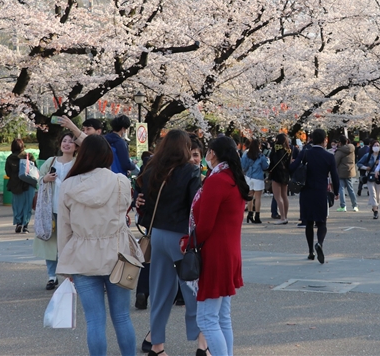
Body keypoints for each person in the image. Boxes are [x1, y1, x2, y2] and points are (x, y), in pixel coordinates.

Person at [56, 135, 144, 356]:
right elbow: (124, 212)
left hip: (82, 256)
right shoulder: (120, 182)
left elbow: (64, 228)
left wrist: (65, 263)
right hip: (117, 255)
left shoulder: (68, 185)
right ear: (107, 155)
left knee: (94, 320)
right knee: (122, 317)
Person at [135, 130, 206, 356]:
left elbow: (143, 204)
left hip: (157, 234)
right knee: (193, 290)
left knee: (160, 292)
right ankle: (202, 344)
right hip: (180, 237)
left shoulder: (150, 171)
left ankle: (157, 346)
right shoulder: (191, 172)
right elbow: (196, 207)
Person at [190, 136, 253, 356]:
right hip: (230, 252)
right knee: (222, 317)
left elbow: (205, 225)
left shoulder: (217, 180)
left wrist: (187, 242)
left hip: (215, 254)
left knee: (206, 319)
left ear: (213, 153)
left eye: (207, 151)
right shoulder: (233, 178)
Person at [33, 132, 77, 290]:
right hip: (50, 210)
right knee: (50, 244)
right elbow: (38, 179)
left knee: (70, 244)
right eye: (64, 141)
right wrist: (45, 180)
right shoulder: (51, 161)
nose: (67, 144)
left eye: (71, 142)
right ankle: (52, 276)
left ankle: (70, 274)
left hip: (72, 211)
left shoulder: (78, 163)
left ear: (76, 146)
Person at [291, 129, 339, 261]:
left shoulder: (305, 153)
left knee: (309, 223)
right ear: (325, 140)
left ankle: (311, 251)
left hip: (306, 191)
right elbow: (335, 176)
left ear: (311, 139)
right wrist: (336, 192)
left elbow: (292, 167)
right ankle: (320, 243)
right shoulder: (329, 156)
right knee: (322, 221)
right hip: (320, 192)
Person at [5, 139, 37, 233]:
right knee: (28, 205)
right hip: (29, 183)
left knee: (18, 205)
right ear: (23, 146)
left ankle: (18, 223)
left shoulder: (10, 158)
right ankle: (25, 225)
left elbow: (8, 172)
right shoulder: (29, 156)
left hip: (15, 184)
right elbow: (35, 168)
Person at [240, 139, 269, 224]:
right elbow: (265, 166)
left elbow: (243, 167)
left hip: (249, 177)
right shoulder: (261, 156)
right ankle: (257, 216)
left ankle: (249, 214)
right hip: (258, 178)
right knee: (258, 198)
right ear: (258, 145)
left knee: (250, 197)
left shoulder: (246, 155)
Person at [267, 134, 292, 225]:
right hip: (285, 174)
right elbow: (289, 164)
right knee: (284, 196)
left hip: (276, 174)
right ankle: (285, 215)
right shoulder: (288, 150)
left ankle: (282, 218)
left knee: (278, 197)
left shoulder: (275, 149)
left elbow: (272, 162)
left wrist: (269, 170)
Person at [357, 141, 380, 219]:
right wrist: (365, 168)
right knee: (372, 193)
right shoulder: (367, 155)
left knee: (378, 195)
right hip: (370, 176)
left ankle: (375, 206)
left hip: (379, 177)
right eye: (375, 145)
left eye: (378, 145)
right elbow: (359, 163)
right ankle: (375, 210)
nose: (376, 147)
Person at [334, 135, 358, 212]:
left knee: (341, 188)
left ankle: (343, 206)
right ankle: (355, 205)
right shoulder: (352, 148)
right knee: (350, 189)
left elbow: (335, 162)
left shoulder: (340, 151)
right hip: (350, 171)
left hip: (341, 172)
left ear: (340, 143)